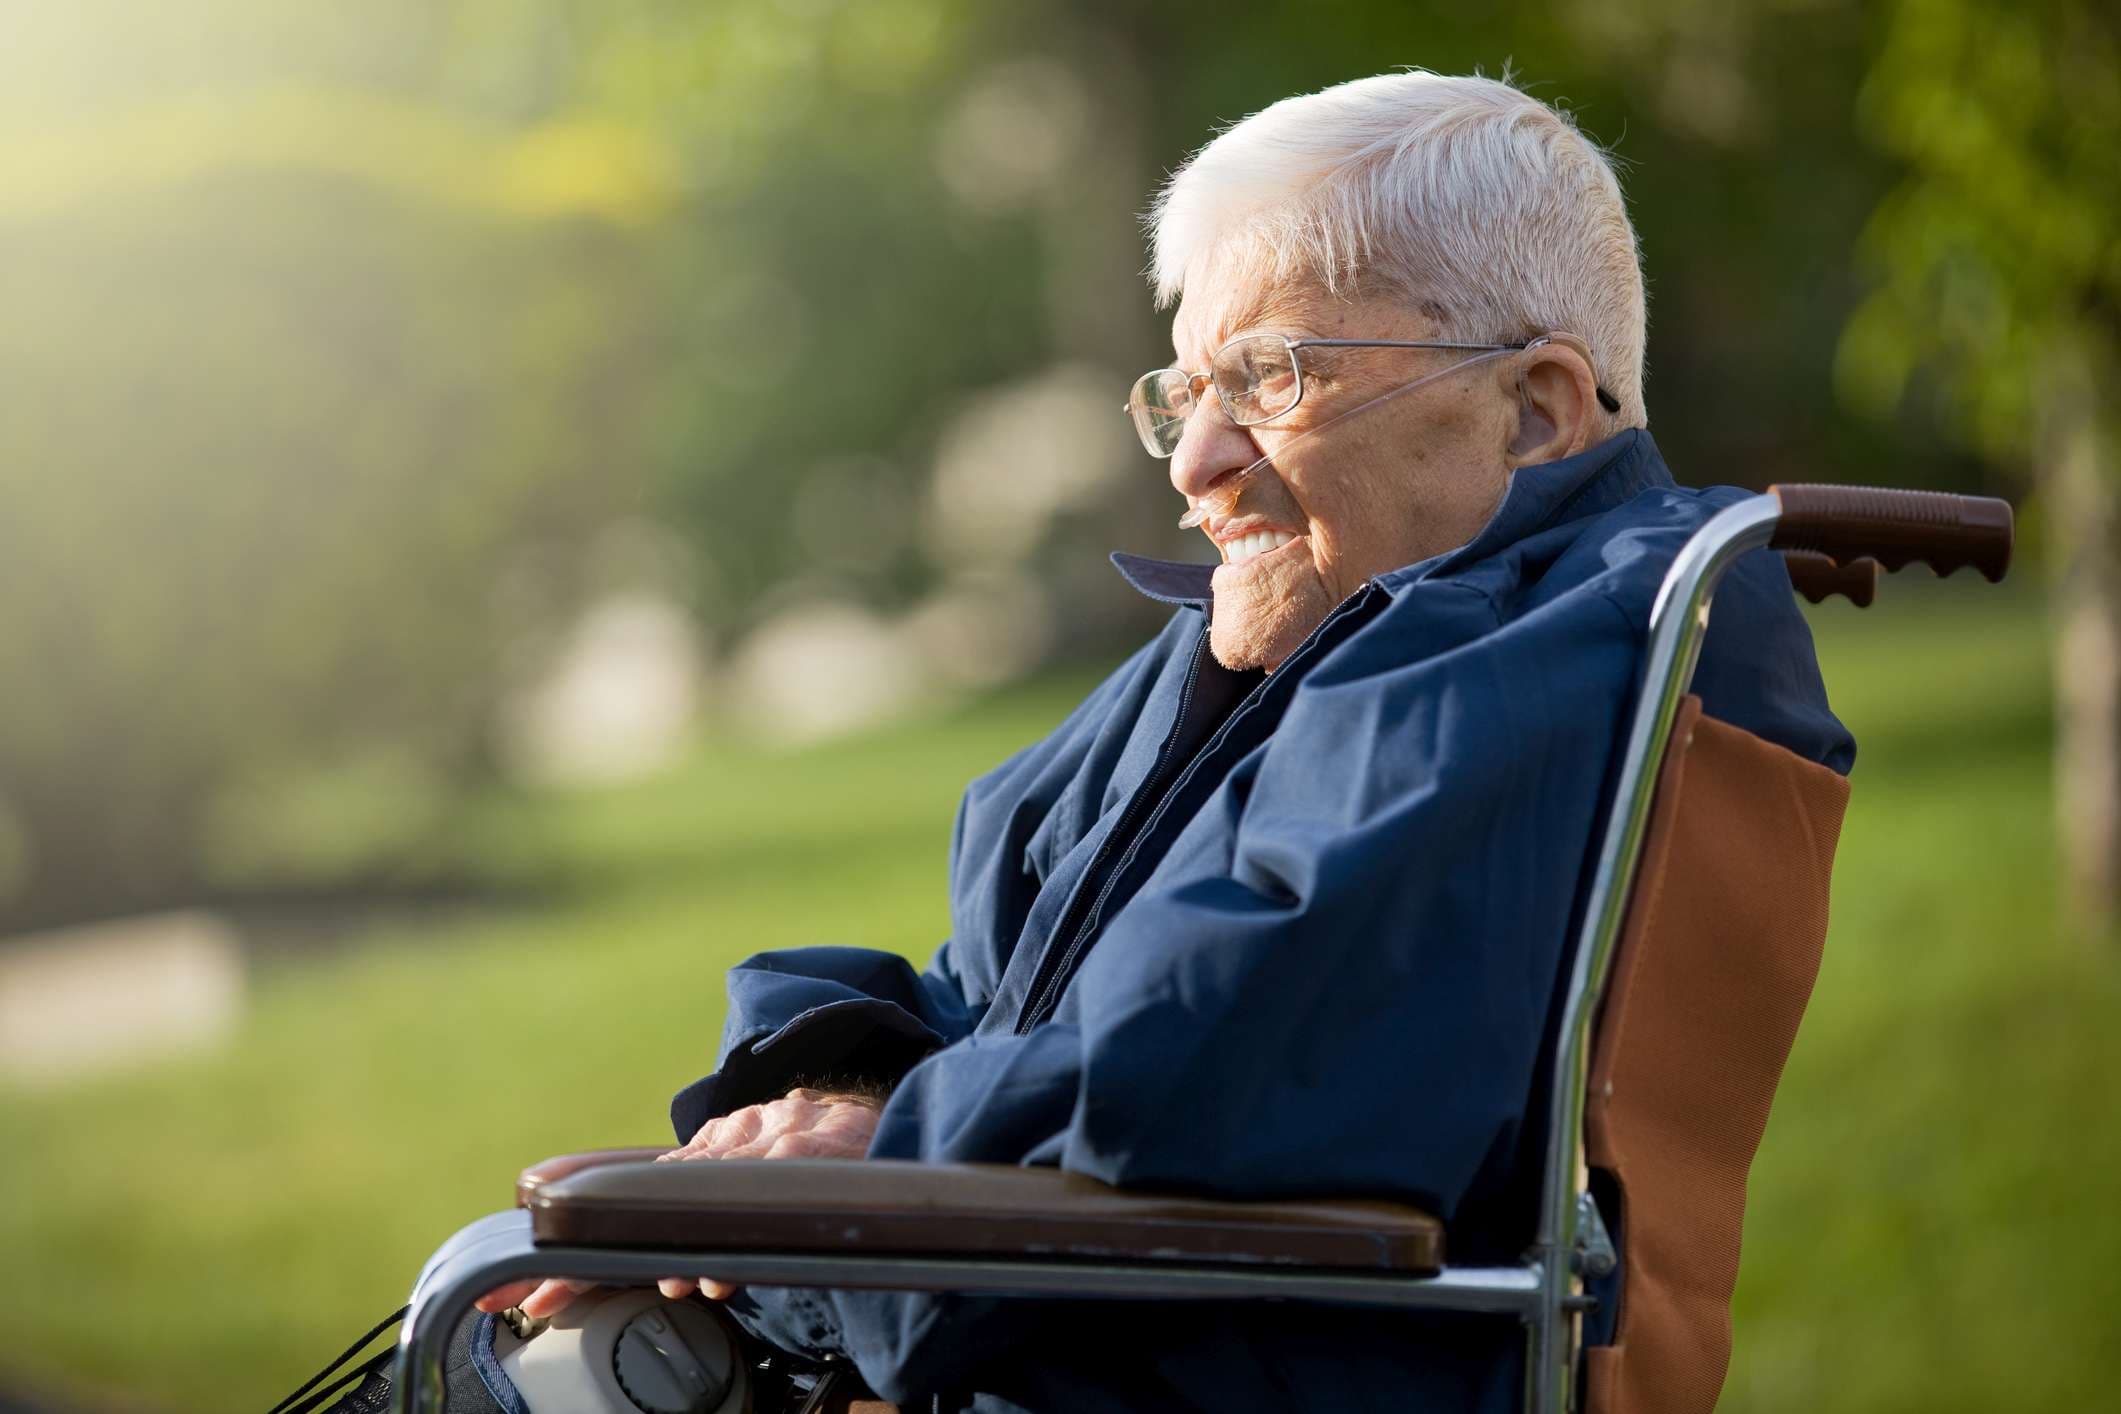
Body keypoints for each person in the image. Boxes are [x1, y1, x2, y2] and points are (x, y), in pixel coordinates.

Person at [479, 69, 1854, 1411]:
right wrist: (817, 1097)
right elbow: (993, 981)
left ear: (1534, 407)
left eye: (1266, 377)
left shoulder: (1578, 638)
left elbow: (1207, 1067)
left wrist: (848, 1160)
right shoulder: (1314, 612)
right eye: (1186, 389)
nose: (1193, 461)